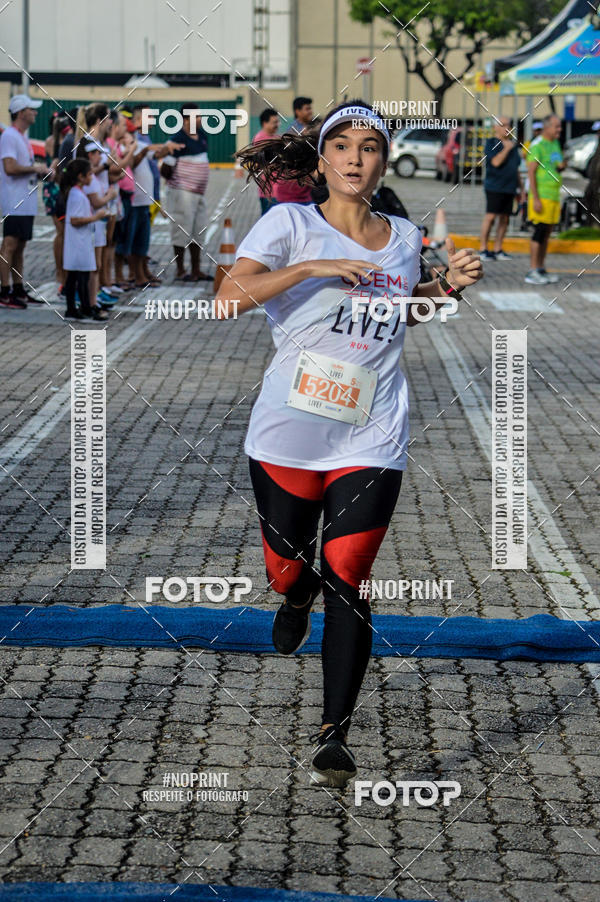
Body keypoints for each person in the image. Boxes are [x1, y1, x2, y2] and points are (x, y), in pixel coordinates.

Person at [215, 100, 483, 788]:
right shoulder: (289, 224)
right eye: (343, 145)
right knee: (287, 569)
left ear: (383, 160)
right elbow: (227, 298)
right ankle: (292, 595)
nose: (356, 158)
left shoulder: (403, 236)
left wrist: (447, 289)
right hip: (289, 431)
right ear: (323, 157)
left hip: (373, 429)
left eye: (370, 146)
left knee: (350, 574)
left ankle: (334, 733)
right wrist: (311, 268)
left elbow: (402, 314)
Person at [0, 94, 50, 309]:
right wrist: (34, 168)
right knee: (10, 244)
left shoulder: (21, 136)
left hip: (24, 199)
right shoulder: (10, 136)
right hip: (14, 200)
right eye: (31, 109)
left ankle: (18, 288)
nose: (35, 113)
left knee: (20, 246)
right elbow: (9, 167)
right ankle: (4, 291)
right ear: (21, 113)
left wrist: (39, 172)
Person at [163, 105, 212, 281]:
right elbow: (165, 168)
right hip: (182, 193)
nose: (200, 119)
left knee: (198, 230)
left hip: (199, 193)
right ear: (185, 120)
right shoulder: (177, 139)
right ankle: (180, 270)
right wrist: (180, 181)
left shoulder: (202, 136)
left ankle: (197, 269)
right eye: (196, 117)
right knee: (181, 230)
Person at [61, 158, 110, 320]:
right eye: (89, 174)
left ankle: (80, 307)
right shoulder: (76, 195)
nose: (91, 177)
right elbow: (75, 220)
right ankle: (81, 307)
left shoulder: (78, 193)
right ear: (81, 177)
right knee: (79, 277)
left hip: (81, 241)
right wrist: (96, 217)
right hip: (78, 242)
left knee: (78, 276)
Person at [525, 114, 566, 284]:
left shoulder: (554, 143)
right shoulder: (537, 145)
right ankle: (532, 270)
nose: (559, 130)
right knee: (539, 232)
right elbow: (531, 173)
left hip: (554, 195)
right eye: (557, 127)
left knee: (547, 233)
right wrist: (535, 198)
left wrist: (563, 165)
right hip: (541, 196)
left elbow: (558, 164)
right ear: (547, 127)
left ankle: (541, 268)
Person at [479, 116, 523, 261]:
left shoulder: (513, 145)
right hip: (495, 187)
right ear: (495, 128)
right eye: (503, 125)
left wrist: (522, 189)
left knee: (505, 218)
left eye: (509, 125)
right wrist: (506, 148)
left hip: (510, 187)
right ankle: (483, 248)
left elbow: (516, 169)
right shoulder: (492, 143)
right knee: (491, 217)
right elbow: (496, 162)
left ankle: (498, 249)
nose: (507, 128)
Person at [43, 112, 70, 289]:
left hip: (62, 188)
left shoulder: (66, 140)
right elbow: (56, 161)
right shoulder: (51, 141)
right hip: (53, 190)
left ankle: (65, 270)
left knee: (66, 233)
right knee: (61, 233)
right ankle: (60, 271)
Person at [273, 97, 315, 206]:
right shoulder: (293, 132)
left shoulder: (310, 127)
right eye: (307, 109)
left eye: (310, 108)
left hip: (308, 188)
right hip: (294, 192)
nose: (310, 111)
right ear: (298, 111)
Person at [253, 108, 280, 216]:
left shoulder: (275, 137)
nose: (277, 125)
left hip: (278, 190)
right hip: (269, 192)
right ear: (265, 123)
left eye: (278, 122)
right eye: (274, 122)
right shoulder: (261, 140)